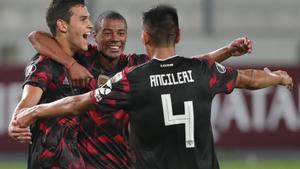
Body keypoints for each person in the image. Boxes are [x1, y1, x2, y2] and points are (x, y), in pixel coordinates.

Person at [15, 4, 293, 169]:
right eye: (107, 33)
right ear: (95, 37)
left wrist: (35, 112)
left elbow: (80, 102)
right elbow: (36, 37)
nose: (115, 39)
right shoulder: (86, 59)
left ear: (142, 37)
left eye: (121, 33)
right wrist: (278, 76)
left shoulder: (133, 72)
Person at [8, 0, 93, 168]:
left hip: (74, 160)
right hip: (50, 162)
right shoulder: (44, 64)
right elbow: (25, 107)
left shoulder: (83, 59)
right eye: (83, 19)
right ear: (62, 25)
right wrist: (15, 123)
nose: (90, 25)